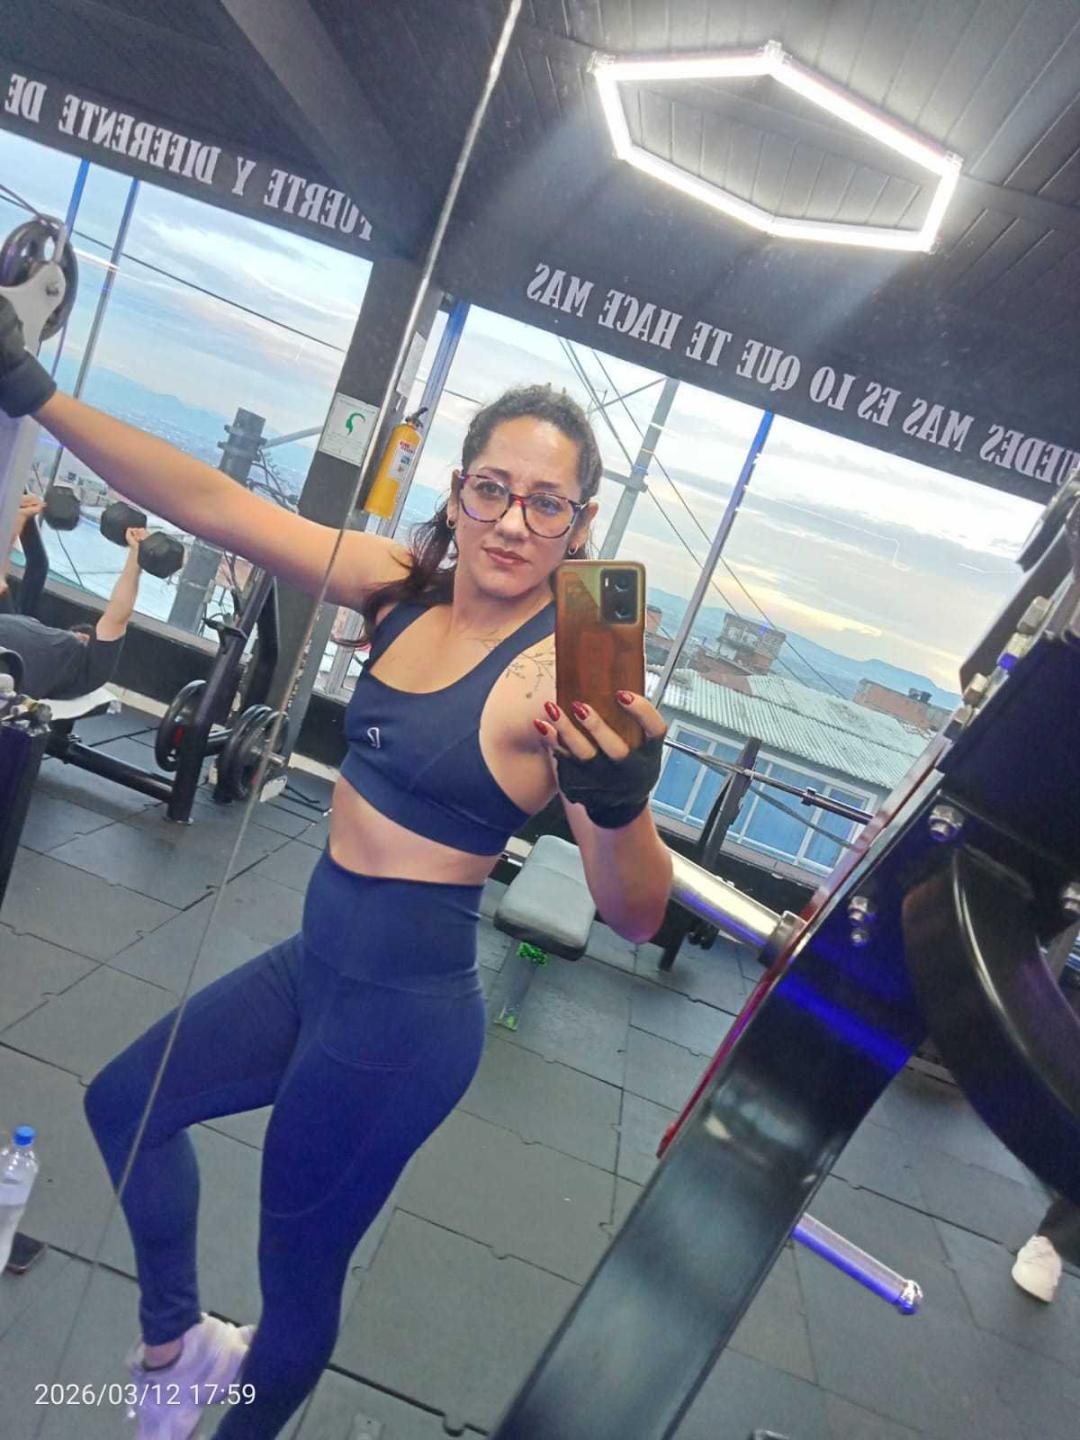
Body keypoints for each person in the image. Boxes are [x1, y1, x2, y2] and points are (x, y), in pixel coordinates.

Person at [0, 294, 673, 1439]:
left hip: (404, 1021)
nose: (514, 522)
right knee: (126, 1104)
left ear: (582, 521)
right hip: (315, 962)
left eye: (547, 502)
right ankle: (178, 1346)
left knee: (296, 1282)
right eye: (493, 490)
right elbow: (212, 502)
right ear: (458, 492)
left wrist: (621, 804)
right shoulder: (399, 583)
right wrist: (36, 393)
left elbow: (636, 911)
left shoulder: (576, 658)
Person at [0, 488, 147, 699]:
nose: (80, 635)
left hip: (8, 671)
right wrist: (18, 519)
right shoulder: (24, 621)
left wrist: (136, 556)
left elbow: (117, 616)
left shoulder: (87, 670)